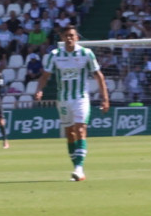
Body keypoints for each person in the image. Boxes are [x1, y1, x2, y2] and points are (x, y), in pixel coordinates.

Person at [35, 26, 110, 181]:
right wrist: (39, 90)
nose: (69, 38)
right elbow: (45, 76)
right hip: (63, 99)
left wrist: (105, 98)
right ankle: (76, 167)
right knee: (70, 134)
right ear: (62, 38)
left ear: (77, 38)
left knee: (80, 129)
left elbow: (99, 76)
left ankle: (79, 168)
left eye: (72, 35)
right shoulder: (54, 55)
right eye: (66, 36)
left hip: (80, 98)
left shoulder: (86, 53)